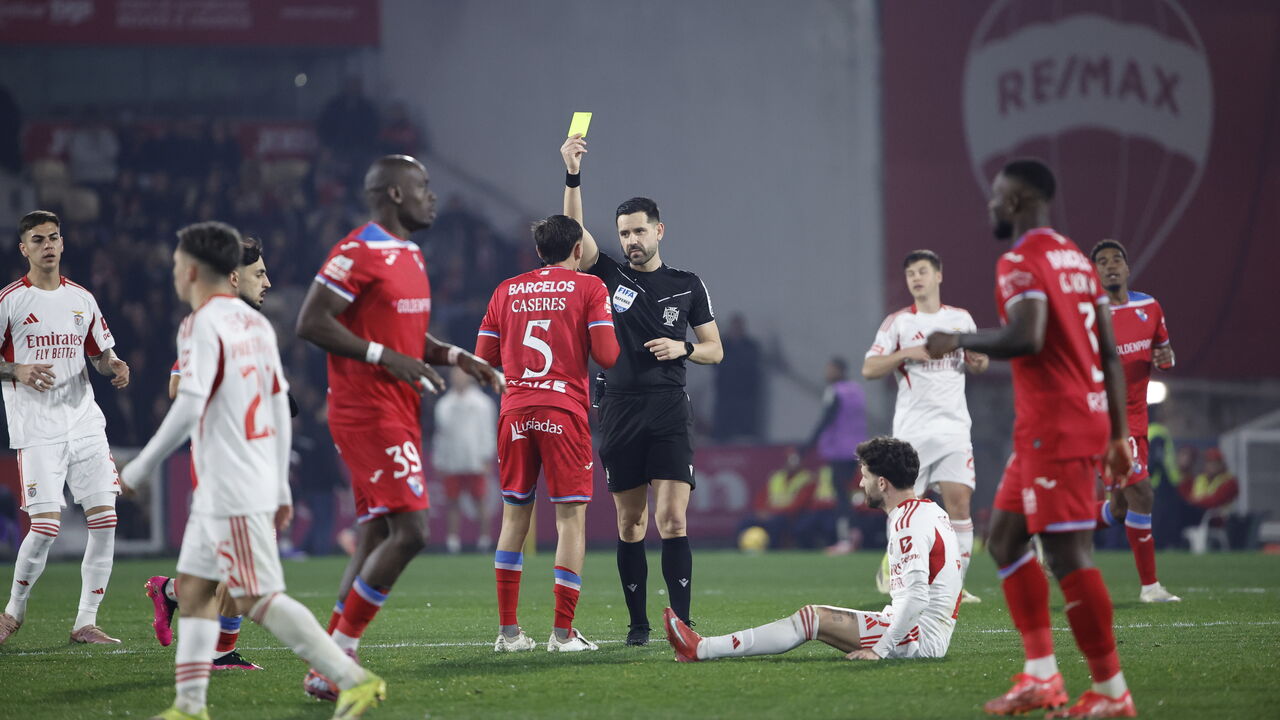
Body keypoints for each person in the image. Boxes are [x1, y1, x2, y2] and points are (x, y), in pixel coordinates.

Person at [120, 221, 385, 720]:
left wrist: (141, 467)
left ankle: (354, 679)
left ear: (195, 269)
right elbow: (283, 407)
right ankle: (190, 704)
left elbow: (187, 405)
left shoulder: (199, 324)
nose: (175, 273)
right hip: (239, 480)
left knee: (257, 599)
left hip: (230, 485)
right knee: (197, 591)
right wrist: (282, 482)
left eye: (178, 265)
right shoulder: (257, 326)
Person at [926, 159, 1136, 718]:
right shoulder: (1075, 258)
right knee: (1007, 540)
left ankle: (1113, 692)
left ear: (1017, 201)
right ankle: (1042, 676)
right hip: (1067, 421)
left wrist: (958, 339)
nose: (991, 206)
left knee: (1068, 552)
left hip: (1058, 425)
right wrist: (1117, 432)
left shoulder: (1022, 260)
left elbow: (1028, 335)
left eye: (997, 197)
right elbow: (1110, 355)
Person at [296, 155, 503, 700]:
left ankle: (329, 656)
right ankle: (337, 654)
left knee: (375, 534)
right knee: (413, 532)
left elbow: (410, 337)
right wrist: (383, 356)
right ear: (391, 194)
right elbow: (311, 322)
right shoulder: (356, 251)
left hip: (398, 406)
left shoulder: (409, 253)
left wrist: (458, 357)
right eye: (422, 187)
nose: (431, 197)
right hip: (366, 410)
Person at [560, 134, 723, 646]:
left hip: (669, 408)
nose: (631, 240)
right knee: (630, 524)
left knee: (672, 519)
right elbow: (571, 233)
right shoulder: (607, 275)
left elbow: (715, 348)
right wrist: (572, 174)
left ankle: (683, 624)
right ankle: (638, 627)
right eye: (624, 233)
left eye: (638, 231)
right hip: (620, 409)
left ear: (659, 231)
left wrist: (685, 350)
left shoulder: (688, 283)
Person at [664, 436, 961, 663]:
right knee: (813, 617)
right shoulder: (929, 511)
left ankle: (701, 648)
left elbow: (919, 595)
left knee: (811, 618)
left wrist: (880, 650)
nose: (860, 482)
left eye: (866, 476)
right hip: (920, 631)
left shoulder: (908, 521)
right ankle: (701, 647)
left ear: (882, 483)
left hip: (917, 638)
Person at [474, 214, 620, 652]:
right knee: (570, 520)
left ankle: (508, 634)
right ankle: (562, 633)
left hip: (515, 411)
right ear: (579, 250)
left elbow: (483, 357)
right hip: (562, 411)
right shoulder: (590, 287)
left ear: (538, 252)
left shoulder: (506, 290)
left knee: (514, 517)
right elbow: (608, 356)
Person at [145, 235, 277, 670]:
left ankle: (172, 597)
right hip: (224, 465)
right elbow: (177, 387)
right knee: (250, 576)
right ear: (235, 277)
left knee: (231, 575)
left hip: (250, 463)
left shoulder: (252, 325)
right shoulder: (207, 322)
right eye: (260, 273)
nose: (269, 282)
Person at [0, 210, 131, 646]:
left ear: (63, 242)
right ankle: (12, 614)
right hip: (38, 430)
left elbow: (99, 353)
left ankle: (85, 622)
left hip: (85, 423)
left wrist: (113, 364)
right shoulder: (10, 301)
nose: (48, 245)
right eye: (38, 240)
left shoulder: (82, 299)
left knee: (105, 520)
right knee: (46, 528)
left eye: (54, 237)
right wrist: (15, 370)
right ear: (24, 249)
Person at [863, 250, 988, 601]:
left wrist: (978, 359)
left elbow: (978, 363)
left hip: (954, 428)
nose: (916, 278)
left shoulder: (961, 320)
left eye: (922, 271)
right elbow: (869, 368)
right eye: (910, 274)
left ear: (939, 276)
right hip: (912, 432)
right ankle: (898, 571)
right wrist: (906, 353)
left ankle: (955, 588)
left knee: (959, 504)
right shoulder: (898, 323)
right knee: (905, 508)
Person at [1089, 240, 1180, 602]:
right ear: (1093, 273)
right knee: (1143, 492)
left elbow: (1165, 355)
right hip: (1107, 423)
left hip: (1138, 423)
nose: (1110, 266)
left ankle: (1059, 529)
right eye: (1102, 262)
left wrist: (1166, 357)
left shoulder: (1149, 307)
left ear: (1127, 269)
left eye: (1117, 260)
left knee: (1122, 507)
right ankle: (1150, 587)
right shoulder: (1088, 316)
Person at [795, 357, 866, 555]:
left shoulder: (835, 391)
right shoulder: (857, 390)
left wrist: (806, 447)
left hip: (839, 449)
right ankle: (855, 532)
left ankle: (845, 539)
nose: (827, 373)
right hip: (857, 448)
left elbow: (825, 420)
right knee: (849, 494)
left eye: (830, 369)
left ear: (839, 370)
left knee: (841, 495)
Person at [431, 366, 497, 554]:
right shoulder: (444, 404)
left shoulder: (483, 404)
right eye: (455, 374)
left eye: (461, 374)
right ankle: (453, 542)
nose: (457, 377)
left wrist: (487, 456)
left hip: (475, 458)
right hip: (452, 460)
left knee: (480, 500)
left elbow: (488, 431)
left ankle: (485, 540)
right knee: (452, 501)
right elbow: (440, 434)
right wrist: (439, 459)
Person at [711, 313, 763, 442]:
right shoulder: (722, 346)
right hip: (725, 395)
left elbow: (750, 366)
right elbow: (715, 364)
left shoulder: (751, 346)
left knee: (744, 431)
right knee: (723, 431)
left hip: (744, 396)